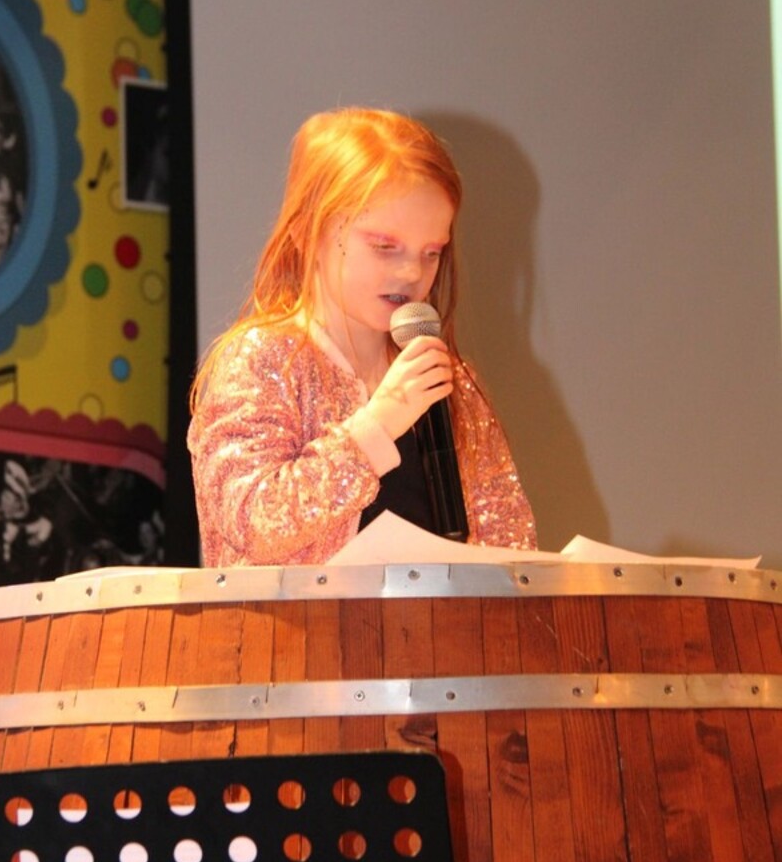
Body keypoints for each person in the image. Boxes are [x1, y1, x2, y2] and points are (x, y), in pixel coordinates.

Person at [188, 106, 536, 566]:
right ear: (305, 233)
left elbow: (509, 542)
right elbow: (253, 521)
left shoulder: (450, 382)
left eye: (432, 253)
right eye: (384, 246)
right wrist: (378, 426)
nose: (411, 272)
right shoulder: (261, 361)